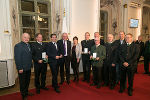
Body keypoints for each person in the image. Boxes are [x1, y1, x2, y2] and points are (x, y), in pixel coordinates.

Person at [14, 33, 34, 100]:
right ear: (22, 37)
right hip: (22, 68)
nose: (26, 39)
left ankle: (26, 92)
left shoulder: (28, 45)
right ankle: (23, 95)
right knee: (22, 82)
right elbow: (17, 58)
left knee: (27, 81)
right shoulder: (18, 46)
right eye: (25, 37)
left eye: (28, 37)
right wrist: (20, 68)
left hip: (28, 67)